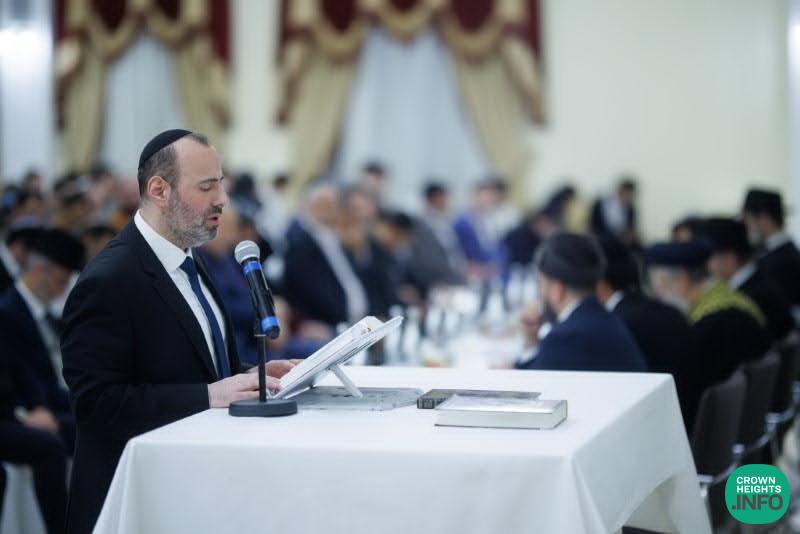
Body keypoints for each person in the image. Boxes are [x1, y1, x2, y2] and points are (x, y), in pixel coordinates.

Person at [60, 129, 299, 534]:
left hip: (191, 487)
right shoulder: (109, 280)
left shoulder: (190, 258)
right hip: (133, 502)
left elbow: (194, 364)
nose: (222, 199)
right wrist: (208, 395)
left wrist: (252, 373)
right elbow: (97, 404)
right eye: (206, 187)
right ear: (159, 190)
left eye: (220, 184)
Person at [595, 237, 700, 429]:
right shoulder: (666, 310)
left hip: (660, 428)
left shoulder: (615, 325)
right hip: (689, 421)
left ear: (599, 281)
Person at [0, 228, 85, 452]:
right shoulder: (8, 313)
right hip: (38, 406)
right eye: (61, 282)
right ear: (39, 271)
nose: (62, 291)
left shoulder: (48, 315)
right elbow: (25, 378)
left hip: (61, 398)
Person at [646, 241, 770, 391]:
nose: (657, 295)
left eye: (660, 285)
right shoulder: (727, 296)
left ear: (682, 280)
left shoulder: (709, 326)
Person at [515, 233, 646, 372]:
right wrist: (532, 343)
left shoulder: (565, 337)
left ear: (556, 290)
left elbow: (531, 382)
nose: (539, 294)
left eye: (540, 284)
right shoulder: (608, 320)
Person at [0, 327, 68, 534]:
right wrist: (22, 415)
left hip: (10, 417)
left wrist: (39, 407)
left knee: (62, 436)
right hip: (10, 419)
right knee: (50, 447)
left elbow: (22, 371)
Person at [700, 217, 794, 344]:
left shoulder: (750, 297)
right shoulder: (760, 278)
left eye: (709, 258)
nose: (707, 266)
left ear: (729, 257)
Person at [741, 188, 800, 310]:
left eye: (748, 220)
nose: (747, 227)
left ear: (764, 218)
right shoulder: (773, 252)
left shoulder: (784, 259)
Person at [590, 178, 639, 246]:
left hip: (622, 241)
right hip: (602, 238)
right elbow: (593, 225)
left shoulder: (630, 209)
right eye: (627, 194)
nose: (629, 198)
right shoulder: (601, 204)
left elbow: (631, 228)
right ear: (620, 192)